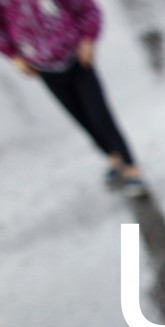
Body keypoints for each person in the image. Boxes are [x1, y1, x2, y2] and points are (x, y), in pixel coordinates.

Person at [0, 0, 146, 197]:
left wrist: (88, 38)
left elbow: (87, 8)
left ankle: (130, 166)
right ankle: (112, 157)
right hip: (43, 66)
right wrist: (13, 56)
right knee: (80, 116)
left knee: (99, 113)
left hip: (76, 57)